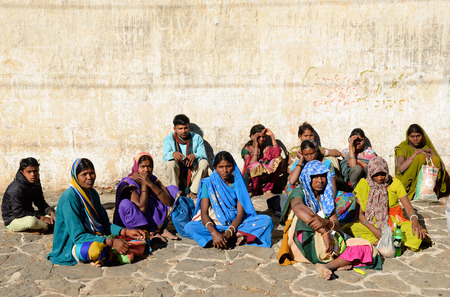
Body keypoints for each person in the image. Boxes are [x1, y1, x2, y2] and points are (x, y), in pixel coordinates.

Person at [278, 161, 381, 280]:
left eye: (322, 176)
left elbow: (335, 224)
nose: (320, 180)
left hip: (329, 244)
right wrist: (324, 231)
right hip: (306, 242)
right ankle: (339, 261)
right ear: (307, 177)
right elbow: (298, 207)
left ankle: (327, 265)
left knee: (367, 247)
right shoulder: (300, 191)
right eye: (315, 177)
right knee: (303, 215)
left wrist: (326, 223)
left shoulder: (325, 195)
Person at [48, 159, 146, 266]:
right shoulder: (69, 198)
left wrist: (125, 231)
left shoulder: (93, 194)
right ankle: (112, 252)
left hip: (95, 235)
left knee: (142, 236)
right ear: (75, 177)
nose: (89, 177)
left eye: (92, 173)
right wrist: (110, 242)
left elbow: (104, 225)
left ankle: (115, 252)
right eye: (84, 174)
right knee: (97, 250)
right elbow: (78, 236)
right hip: (72, 244)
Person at [185, 151, 274, 249]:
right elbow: (204, 213)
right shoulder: (209, 183)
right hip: (216, 223)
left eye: (228, 166)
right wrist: (214, 232)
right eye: (221, 167)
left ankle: (226, 238)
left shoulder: (238, 183)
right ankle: (235, 236)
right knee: (190, 227)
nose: (225, 170)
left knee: (267, 220)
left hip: (236, 223)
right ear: (215, 167)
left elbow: (240, 214)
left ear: (233, 166)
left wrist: (229, 232)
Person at [342, 156, 427, 252]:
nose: (380, 178)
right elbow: (361, 215)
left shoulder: (395, 183)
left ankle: (387, 241)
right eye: (376, 175)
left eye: (383, 174)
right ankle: (383, 242)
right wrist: (374, 230)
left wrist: (415, 223)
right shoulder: (363, 185)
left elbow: (409, 208)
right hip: (371, 222)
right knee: (348, 229)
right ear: (370, 173)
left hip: (394, 221)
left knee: (417, 234)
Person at [284, 140, 357, 223]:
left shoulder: (326, 163)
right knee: (290, 188)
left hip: (324, 195)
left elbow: (332, 188)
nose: (309, 157)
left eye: (312, 153)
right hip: (306, 197)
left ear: (317, 151)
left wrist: (327, 203)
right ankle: (307, 214)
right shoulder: (300, 163)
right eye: (306, 155)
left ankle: (324, 216)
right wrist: (300, 160)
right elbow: (292, 180)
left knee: (351, 198)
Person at [113, 152, 178, 241]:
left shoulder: (152, 179)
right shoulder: (129, 182)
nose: (146, 170)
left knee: (173, 189)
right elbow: (142, 208)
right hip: (134, 221)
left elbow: (168, 201)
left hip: (148, 214)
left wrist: (150, 184)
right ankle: (148, 233)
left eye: (149, 166)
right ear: (136, 167)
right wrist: (144, 184)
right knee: (126, 204)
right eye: (142, 166)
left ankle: (160, 229)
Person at [2, 157, 55, 232]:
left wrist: (50, 212)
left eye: (35, 171)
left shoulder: (35, 180)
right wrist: (41, 218)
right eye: (29, 172)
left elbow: (40, 201)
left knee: (58, 208)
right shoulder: (16, 188)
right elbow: (18, 212)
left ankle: (48, 223)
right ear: (22, 172)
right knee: (32, 222)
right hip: (14, 219)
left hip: (30, 213)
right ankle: (48, 225)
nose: (33, 174)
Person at [163, 114, 209, 199]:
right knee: (170, 164)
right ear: (175, 129)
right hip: (178, 173)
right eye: (180, 128)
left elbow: (203, 154)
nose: (183, 131)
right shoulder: (168, 139)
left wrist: (194, 155)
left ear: (189, 127)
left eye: (186, 128)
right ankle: (175, 192)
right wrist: (173, 154)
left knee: (204, 163)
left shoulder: (197, 138)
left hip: (192, 173)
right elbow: (165, 156)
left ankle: (193, 191)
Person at [395, 124, 446, 200]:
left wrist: (431, 152)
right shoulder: (402, 148)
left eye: (418, 136)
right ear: (408, 137)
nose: (415, 139)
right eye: (412, 136)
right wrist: (415, 154)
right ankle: (414, 192)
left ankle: (430, 191)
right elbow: (401, 168)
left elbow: (442, 167)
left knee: (435, 159)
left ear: (422, 136)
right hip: (407, 181)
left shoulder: (426, 147)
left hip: (426, 185)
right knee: (420, 157)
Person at [241, 124, 283, 197]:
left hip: (265, 176)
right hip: (252, 179)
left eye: (263, 137)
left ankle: (268, 190)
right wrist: (256, 145)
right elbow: (251, 163)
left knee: (279, 159)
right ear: (252, 137)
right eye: (258, 137)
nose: (261, 139)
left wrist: (272, 136)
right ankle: (252, 190)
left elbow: (277, 153)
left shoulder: (266, 148)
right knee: (254, 164)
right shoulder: (246, 150)